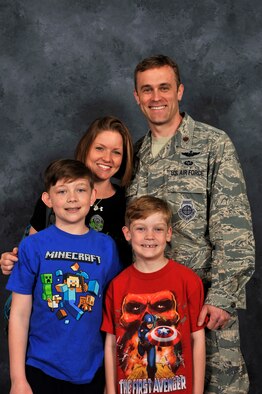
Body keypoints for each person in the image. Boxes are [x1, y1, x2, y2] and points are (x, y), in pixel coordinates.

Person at [126, 54, 255, 393]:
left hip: (203, 307)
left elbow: (235, 231)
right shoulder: (132, 155)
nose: (156, 97)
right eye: (147, 90)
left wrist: (222, 296)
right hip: (149, 313)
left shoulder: (213, 145)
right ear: (137, 97)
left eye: (164, 87)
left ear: (180, 91)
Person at [6, 159, 122, 394]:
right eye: (62, 191)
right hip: (41, 369)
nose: (72, 198)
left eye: (80, 190)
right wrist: (18, 379)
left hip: (93, 370)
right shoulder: (33, 245)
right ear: (48, 199)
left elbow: (115, 313)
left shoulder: (106, 247)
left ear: (92, 196)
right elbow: (18, 314)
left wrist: (111, 381)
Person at [0, 115, 133, 273]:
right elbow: (29, 258)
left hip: (102, 293)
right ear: (86, 147)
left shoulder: (128, 203)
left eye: (116, 152)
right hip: (53, 292)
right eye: (100, 148)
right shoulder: (56, 198)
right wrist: (12, 262)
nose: (107, 158)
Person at [101, 195, 205, 394]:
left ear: (169, 233)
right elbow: (110, 345)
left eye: (158, 229)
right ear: (127, 233)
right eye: (141, 228)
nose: (150, 236)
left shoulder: (188, 280)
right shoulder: (117, 285)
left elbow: (197, 340)